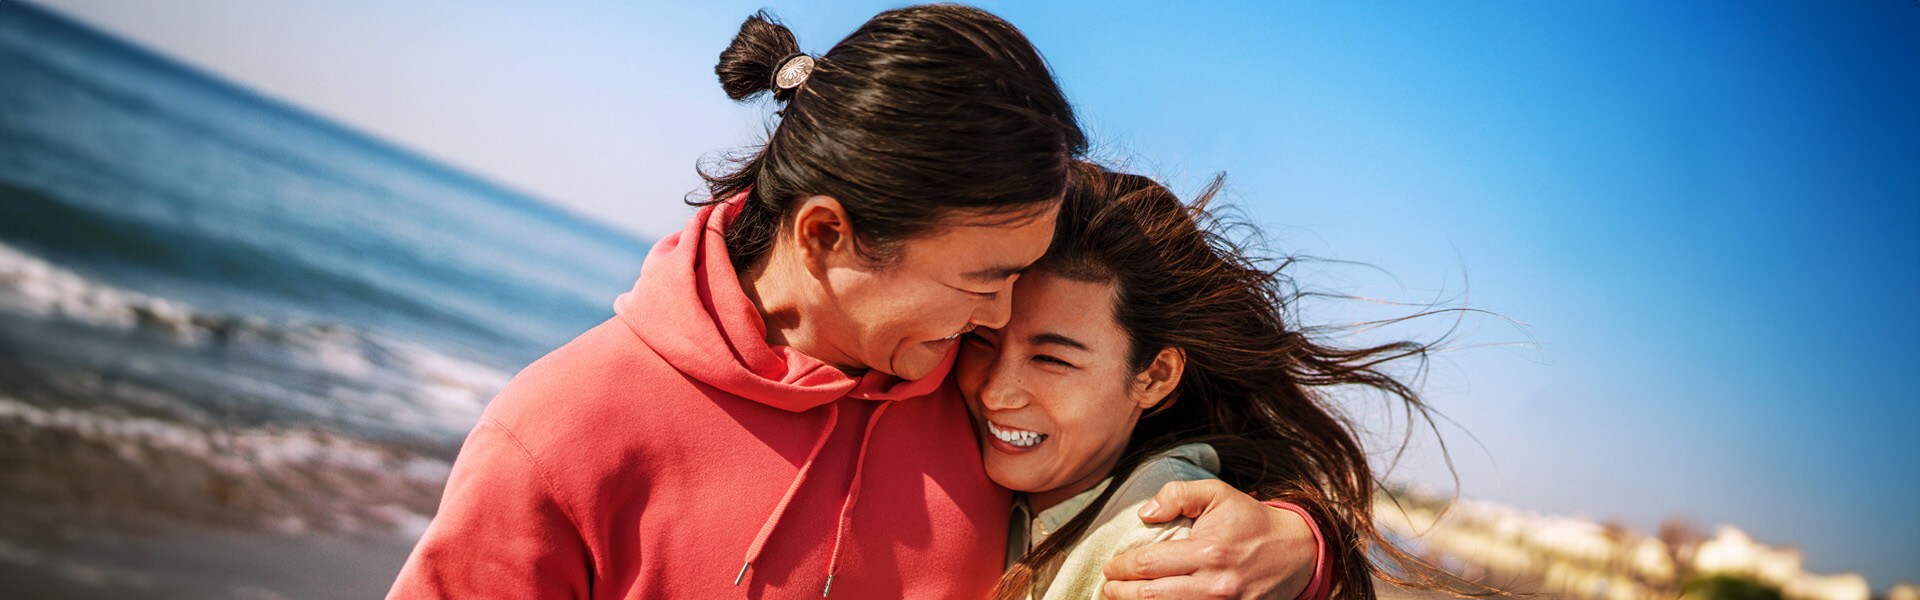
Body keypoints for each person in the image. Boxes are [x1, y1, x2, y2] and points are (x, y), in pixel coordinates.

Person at [388, 6, 1320, 599]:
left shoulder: (979, 391)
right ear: (829, 236)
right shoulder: (562, 433)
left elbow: (1170, 454)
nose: (1001, 319)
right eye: (982, 278)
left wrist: (1295, 545)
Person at [960, 162, 1482, 599]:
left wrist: (1316, 550)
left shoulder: (1168, 560)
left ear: (1155, 376)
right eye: (981, 338)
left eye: (1052, 360)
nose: (995, 391)